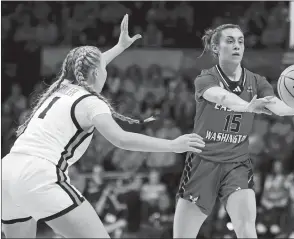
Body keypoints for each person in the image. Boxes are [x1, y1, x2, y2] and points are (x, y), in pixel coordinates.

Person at [1, 14, 205, 238]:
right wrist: (173, 145)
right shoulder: (90, 101)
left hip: (7, 171)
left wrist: (119, 47)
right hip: (38, 173)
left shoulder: (61, 88)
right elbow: (121, 139)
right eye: (103, 69)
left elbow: (90, 66)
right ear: (97, 73)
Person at [173, 24, 294, 238]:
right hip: (203, 163)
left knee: (246, 227)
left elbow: (278, 108)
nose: (237, 45)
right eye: (230, 41)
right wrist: (247, 106)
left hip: (237, 164)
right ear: (216, 48)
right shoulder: (205, 78)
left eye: (240, 41)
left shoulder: (257, 82)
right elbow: (222, 97)